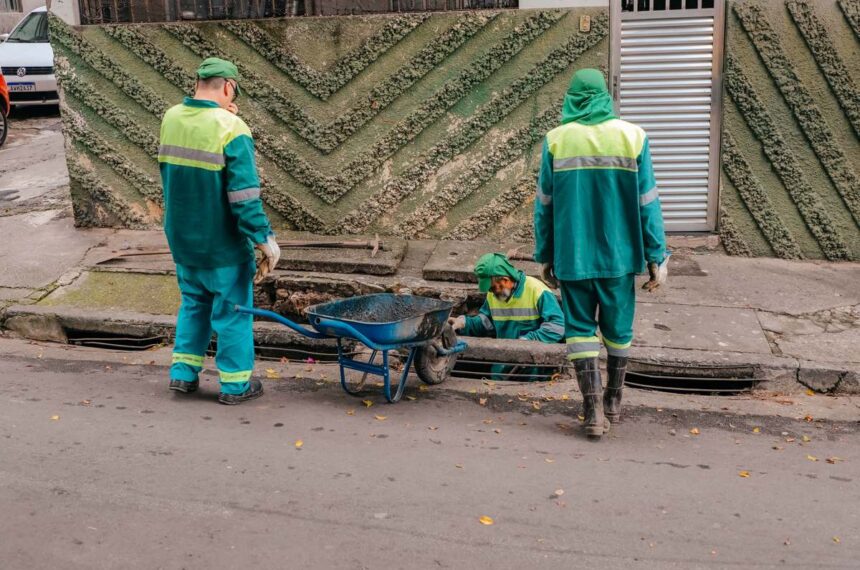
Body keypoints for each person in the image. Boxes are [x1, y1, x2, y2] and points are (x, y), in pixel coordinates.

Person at [533, 68, 668, 438]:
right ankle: (613, 402)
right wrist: (656, 255)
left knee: (579, 331)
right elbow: (648, 202)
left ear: (572, 98)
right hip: (619, 259)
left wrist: (544, 254)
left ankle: (592, 411)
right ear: (605, 96)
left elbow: (545, 205)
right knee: (618, 331)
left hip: (572, 257)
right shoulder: (633, 137)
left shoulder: (556, 140)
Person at [158, 57, 280, 405]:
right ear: (228, 87)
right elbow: (244, 197)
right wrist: (264, 239)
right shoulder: (232, 128)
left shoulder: (171, 118)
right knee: (232, 313)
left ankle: (183, 374)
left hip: (182, 238)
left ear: (198, 83)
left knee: (194, 304)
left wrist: (225, 115)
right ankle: (235, 386)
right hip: (221, 243)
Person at [449, 253, 564, 380]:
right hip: (502, 369)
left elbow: (558, 325)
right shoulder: (493, 295)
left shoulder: (537, 290)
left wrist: (529, 341)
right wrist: (464, 323)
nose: (491, 292)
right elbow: (486, 323)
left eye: (493, 288)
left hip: (533, 372)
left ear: (505, 280)